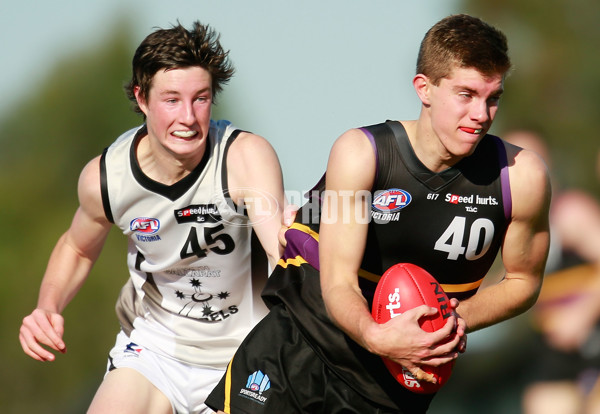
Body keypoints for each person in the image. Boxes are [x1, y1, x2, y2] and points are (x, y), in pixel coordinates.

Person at [206, 14, 551, 414]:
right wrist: (375, 334)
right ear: (424, 88)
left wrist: (451, 324)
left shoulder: (521, 177)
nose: (481, 114)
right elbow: (338, 284)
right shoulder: (363, 154)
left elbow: (524, 281)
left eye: (493, 98)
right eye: (466, 94)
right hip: (299, 343)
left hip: (397, 378)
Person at [18, 21, 286, 414]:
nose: (189, 117)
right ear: (142, 99)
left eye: (201, 98)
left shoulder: (244, 158)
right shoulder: (107, 178)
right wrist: (48, 306)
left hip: (244, 354)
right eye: (172, 99)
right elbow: (76, 247)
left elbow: (281, 255)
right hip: (156, 350)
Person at [503, 130, 600, 414]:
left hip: (591, 341)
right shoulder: (509, 225)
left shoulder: (570, 212)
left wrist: (583, 312)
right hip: (550, 350)